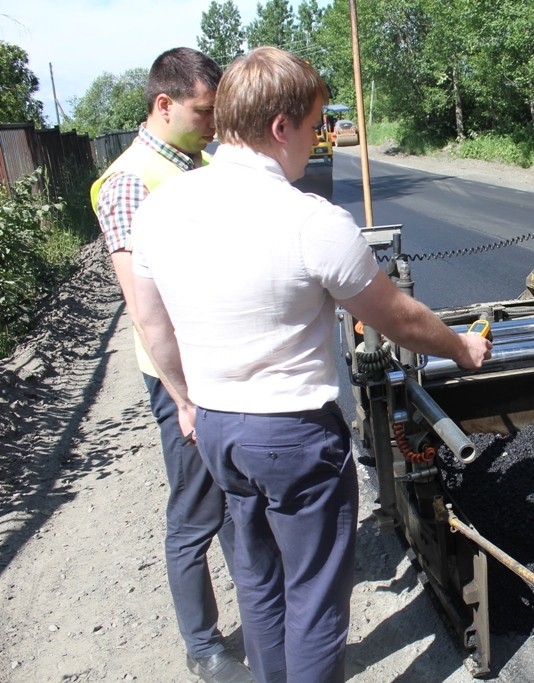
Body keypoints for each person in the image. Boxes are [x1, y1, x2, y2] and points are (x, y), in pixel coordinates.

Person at [129, 46, 493, 683]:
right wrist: (462, 347)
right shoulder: (309, 221)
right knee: (316, 600)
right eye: (316, 124)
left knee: (259, 582)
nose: (319, 138)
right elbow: (396, 317)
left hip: (217, 428)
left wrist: (187, 399)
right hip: (293, 436)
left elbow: (153, 326)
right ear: (279, 127)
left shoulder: (160, 209)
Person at [90, 48, 253, 683]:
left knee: (241, 503)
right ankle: (203, 645)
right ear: (164, 105)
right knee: (197, 512)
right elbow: (143, 307)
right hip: (181, 379)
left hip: (224, 366)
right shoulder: (132, 181)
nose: (214, 123)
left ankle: (262, 614)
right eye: (204, 111)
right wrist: (184, 399)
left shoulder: (200, 163)